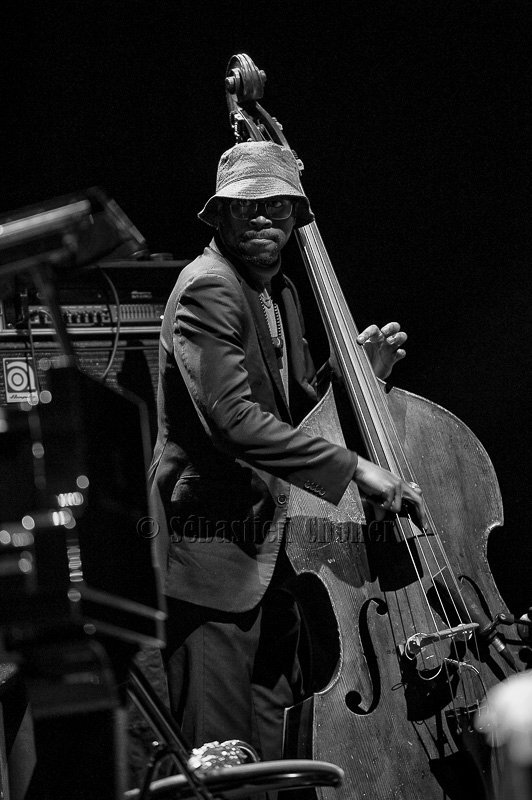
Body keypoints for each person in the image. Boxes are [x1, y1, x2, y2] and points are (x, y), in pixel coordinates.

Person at [148, 140, 425, 764]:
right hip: (213, 563)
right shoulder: (208, 289)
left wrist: (355, 377)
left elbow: (294, 407)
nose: (263, 218)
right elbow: (233, 421)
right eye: (246, 206)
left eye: (277, 205)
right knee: (222, 763)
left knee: (277, 757)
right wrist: (356, 468)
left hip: (277, 560)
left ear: (297, 216)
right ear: (220, 215)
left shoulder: (283, 293)